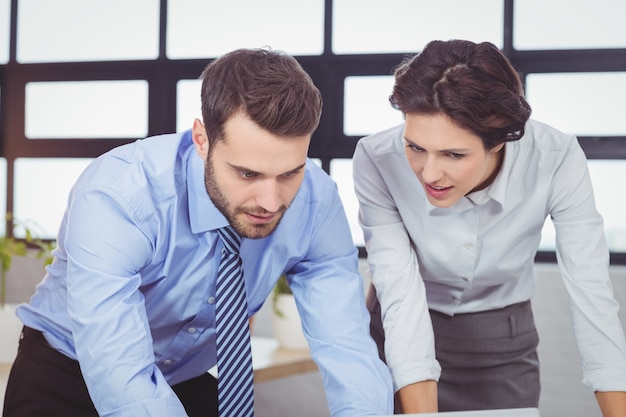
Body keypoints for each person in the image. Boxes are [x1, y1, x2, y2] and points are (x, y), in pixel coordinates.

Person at [2, 48, 393, 417]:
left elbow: (346, 346)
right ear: (202, 140)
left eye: (290, 172)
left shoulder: (316, 202)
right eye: (247, 173)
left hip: (178, 378)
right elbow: (118, 368)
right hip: (65, 370)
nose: (271, 202)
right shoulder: (119, 196)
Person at [352, 39, 626, 416]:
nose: (429, 174)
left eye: (453, 154)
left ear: (499, 141)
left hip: (502, 344)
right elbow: (399, 291)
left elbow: (591, 292)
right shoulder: (376, 158)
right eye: (415, 147)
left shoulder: (555, 158)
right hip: (398, 333)